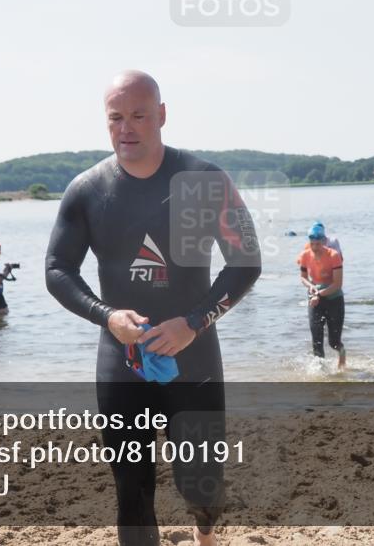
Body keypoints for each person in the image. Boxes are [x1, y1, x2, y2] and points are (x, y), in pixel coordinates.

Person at [45, 71, 261, 546]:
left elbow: (246, 262)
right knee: (131, 487)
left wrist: (193, 322)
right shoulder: (88, 189)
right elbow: (58, 271)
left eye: (139, 115)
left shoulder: (203, 180)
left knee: (201, 483)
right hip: (122, 360)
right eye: (116, 118)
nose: (127, 127)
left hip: (193, 357)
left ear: (161, 115)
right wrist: (107, 315)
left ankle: (205, 534)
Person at [298, 223, 346, 368]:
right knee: (316, 340)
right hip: (315, 300)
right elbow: (303, 277)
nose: (315, 247)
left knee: (334, 342)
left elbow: (337, 284)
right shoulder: (305, 255)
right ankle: (321, 374)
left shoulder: (334, 255)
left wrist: (318, 294)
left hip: (334, 298)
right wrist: (311, 287)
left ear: (324, 241)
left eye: (318, 244)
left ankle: (342, 354)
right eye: (312, 244)